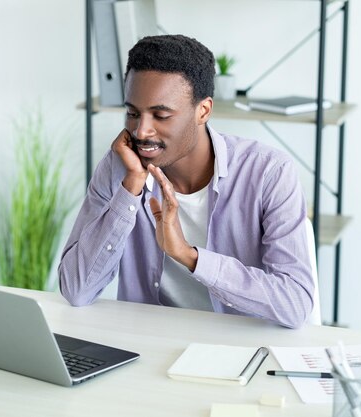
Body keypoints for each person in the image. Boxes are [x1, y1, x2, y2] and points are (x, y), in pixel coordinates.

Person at [59, 34, 314, 328]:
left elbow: (296, 304)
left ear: (203, 110)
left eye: (161, 115)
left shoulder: (269, 173)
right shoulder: (119, 169)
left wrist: (188, 255)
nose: (141, 131)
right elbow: (76, 290)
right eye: (132, 113)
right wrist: (130, 190)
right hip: (149, 346)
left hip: (240, 351)